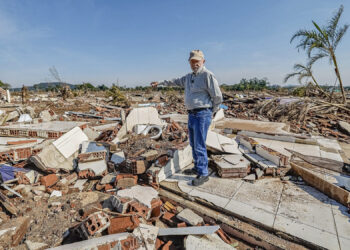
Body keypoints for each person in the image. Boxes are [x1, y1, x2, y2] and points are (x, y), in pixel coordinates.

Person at [151, 50, 223, 186]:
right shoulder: (189, 77)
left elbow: (217, 97)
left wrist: (211, 112)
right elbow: (174, 81)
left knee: (200, 144)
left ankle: (203, 173)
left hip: (203, 114)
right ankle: (197, 167)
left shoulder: (207, 75)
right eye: (192, 62)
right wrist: (159, 83)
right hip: (192, 114)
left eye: (197, 61)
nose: (194, 64)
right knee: (193, 143)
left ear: (203, 62)